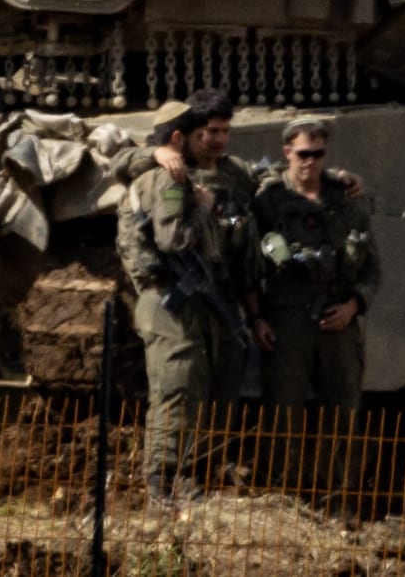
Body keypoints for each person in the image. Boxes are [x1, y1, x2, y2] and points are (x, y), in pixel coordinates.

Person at [115, 93, 261, 504]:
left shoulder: (225, 173)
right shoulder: (166, 178)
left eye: (222, 131)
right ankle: (164, 479)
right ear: (183, 136)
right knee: (178, 384)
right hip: (169, 296)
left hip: (207, 296)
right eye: (207, 132)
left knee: (210, 381)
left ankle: (196, 475)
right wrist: (202, 209)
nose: (216, 139)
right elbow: (172, 239)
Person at [250, 117, 378, 412]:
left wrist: (352, 307)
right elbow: (250, 266)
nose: (311, 161)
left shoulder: (346, 201)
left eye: (318, 154)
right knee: (282, 414)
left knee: (342, 416)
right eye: (303, 154)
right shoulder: (268, 200)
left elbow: (372, 268)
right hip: (286, 318)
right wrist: (255, 317)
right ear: (287, 152)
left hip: (338, 318)